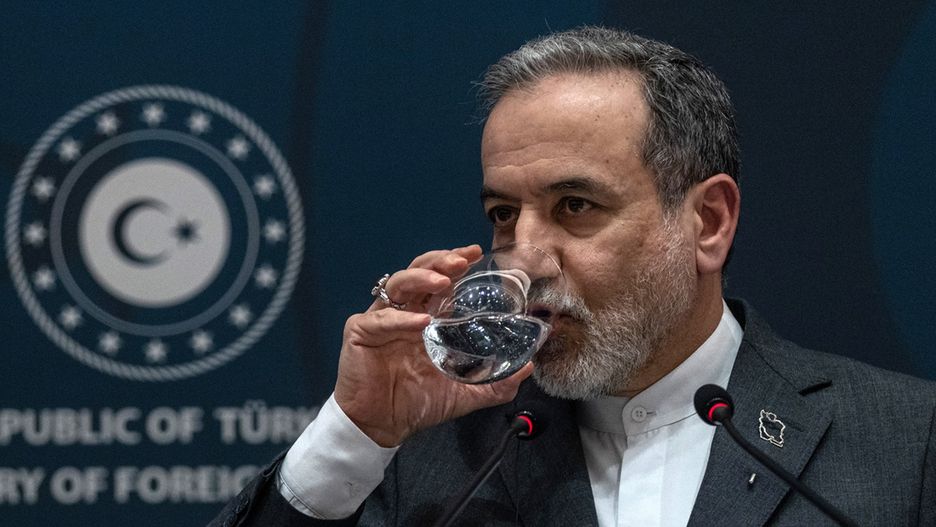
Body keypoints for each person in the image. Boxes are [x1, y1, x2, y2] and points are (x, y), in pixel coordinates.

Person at [211, 27, 936, 526]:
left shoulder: (908, 440)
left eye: (575, 206)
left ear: (708, 222)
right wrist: (357, 431)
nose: (524, 256)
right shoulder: (430, 457)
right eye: (503, 214)